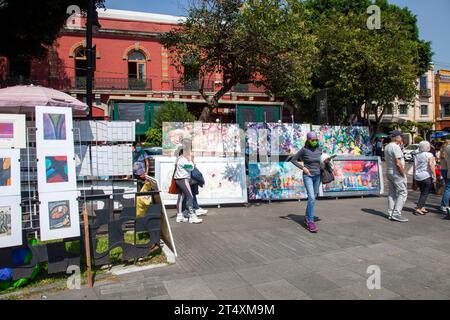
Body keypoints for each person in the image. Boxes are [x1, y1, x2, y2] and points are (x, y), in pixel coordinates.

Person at [291, 132, 331, 233]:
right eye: (313, 140)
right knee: (311, 198)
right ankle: (310, 221)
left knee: (313, 198)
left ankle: (307, 217)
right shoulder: (304, 150)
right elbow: (293, 160)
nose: (315, 142)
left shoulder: (319, 150)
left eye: (316, 140)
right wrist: (303, 168)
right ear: (308, 140)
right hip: (308, 176)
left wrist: (326, 161)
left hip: (317, 176)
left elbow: (321, 161)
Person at [174, 144, 202, 224]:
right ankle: (192, 216)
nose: (190, 153)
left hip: (179, 179)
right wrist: (191, 160)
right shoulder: (183, 159)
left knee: (181, 197)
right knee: (190, 196)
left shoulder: (179, 159)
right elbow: (191, 167)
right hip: (183, 180)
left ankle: (179, 216)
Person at [384, 130, 409, 222]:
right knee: (403, 192)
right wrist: (403, 174)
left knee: (392, 192)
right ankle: (396, 213)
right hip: (396, 172)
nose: (401, 138)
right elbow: (398, 163)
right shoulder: (395, 147)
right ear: (396, 137)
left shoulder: (387, 146)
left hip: (389, 171)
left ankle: (391, 212)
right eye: (400, 136)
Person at [413, 141, 436, 215]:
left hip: (418, 176)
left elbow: (414, 166)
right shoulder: (429, 154)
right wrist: (434, 176)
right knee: (425, 193)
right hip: (426, 175)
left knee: (422, 192)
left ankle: (421, 206)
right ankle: (419, 208)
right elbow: (431, 165)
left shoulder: (417, 155)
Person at [440, 140, 450, 213]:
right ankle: (444, 205)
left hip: (443, 169)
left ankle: (444, 204)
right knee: (448, 188)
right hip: (447, 170)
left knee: (447, 187)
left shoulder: (442, 151)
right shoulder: (447, 150)